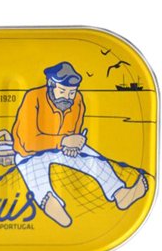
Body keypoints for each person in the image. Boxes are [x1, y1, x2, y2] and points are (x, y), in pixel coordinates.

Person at [12, 61, 147, 227]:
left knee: (95, 160)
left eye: (71, 92)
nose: (67, 97)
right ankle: (50, 203)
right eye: (62, 91)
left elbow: (74, 131)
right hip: (29, 154)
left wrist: (74, 145)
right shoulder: (33, 97)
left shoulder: (77, 100)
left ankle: (120, 194)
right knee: (36, 176)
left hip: (61, 149)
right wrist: (64, 141)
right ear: (51, 85)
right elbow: (27, 141)